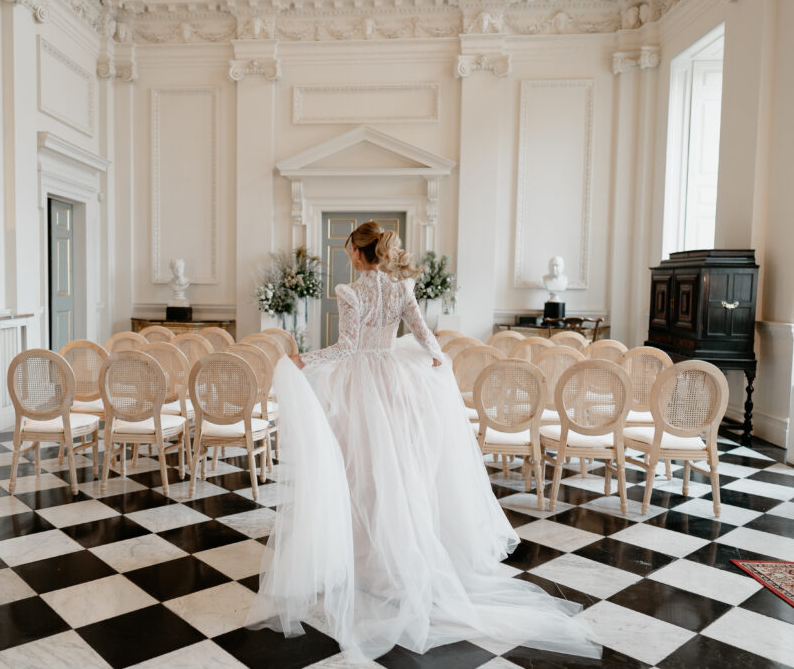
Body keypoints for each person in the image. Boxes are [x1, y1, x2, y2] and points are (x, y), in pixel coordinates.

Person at [246, 221, 600, 661]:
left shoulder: (351, 292)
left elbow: (346, 348)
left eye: (347, 250)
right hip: (394, 387)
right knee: (398, 469)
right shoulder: (401, 288)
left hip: (362, 387)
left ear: (357, 253)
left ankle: (368, 559)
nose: (347, 255)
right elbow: (422, 335)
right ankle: (390, 557)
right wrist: (437, 361)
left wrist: (302, 360)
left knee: (361, 470)